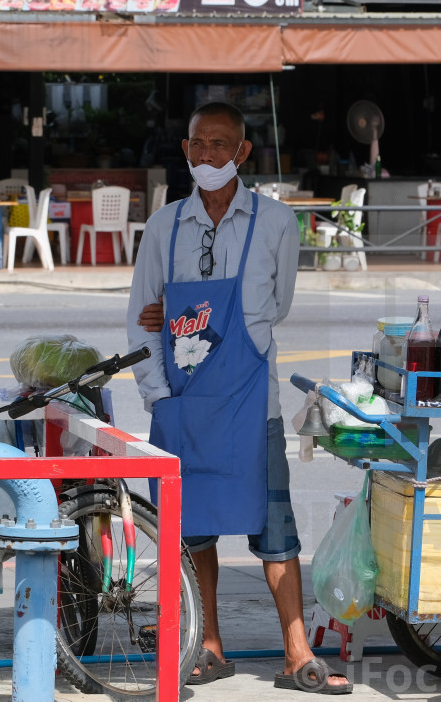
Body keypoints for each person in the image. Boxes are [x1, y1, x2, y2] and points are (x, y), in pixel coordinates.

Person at [127, 102, 352, 694]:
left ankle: (296, 650)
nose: (208, 157)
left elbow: (275, 308)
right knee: (193, 530)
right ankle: (208, 642)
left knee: (275, 529)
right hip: (183, 402)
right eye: (199, 145)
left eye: (221, 146)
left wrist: (188, 314)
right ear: (185, 150)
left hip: (255, 403)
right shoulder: (163, 226)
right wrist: (159, 396)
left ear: (243, 153)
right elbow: (141, 318)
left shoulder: (277, 223)